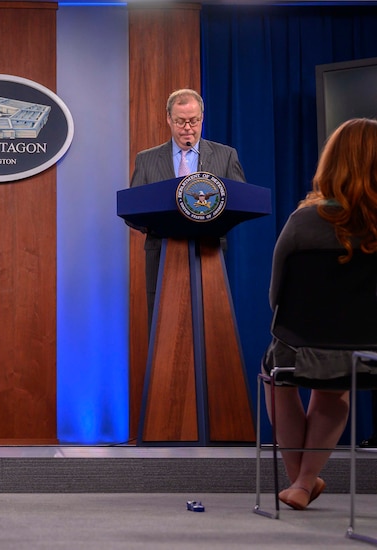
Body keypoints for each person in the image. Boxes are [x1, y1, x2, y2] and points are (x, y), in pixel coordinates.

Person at [262, 117, 377, 510]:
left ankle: (300, 480)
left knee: (277, 378)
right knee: (333, 382)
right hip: (366, 352)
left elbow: (276, 296)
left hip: (299, 345)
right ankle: (303, 482)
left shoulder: (304, 220)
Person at [129, 89, 246, 326]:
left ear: (202, 118)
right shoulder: (147, 159)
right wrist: (161, 223)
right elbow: (133, 211)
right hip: (162, 252)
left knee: (211, 324)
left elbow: (241, 201)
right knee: (164, 324)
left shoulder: (225, 156)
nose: (188, 128)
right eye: (181, 121)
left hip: (209, 253)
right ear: (169, 120)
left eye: (193, 120)